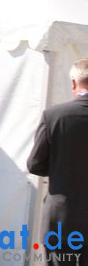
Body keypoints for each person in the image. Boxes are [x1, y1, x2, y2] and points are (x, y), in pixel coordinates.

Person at [27, 58, 88, 265]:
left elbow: (35, 164)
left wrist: (61, 166)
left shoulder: (54, 115)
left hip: (62, 219)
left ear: (73, 83)